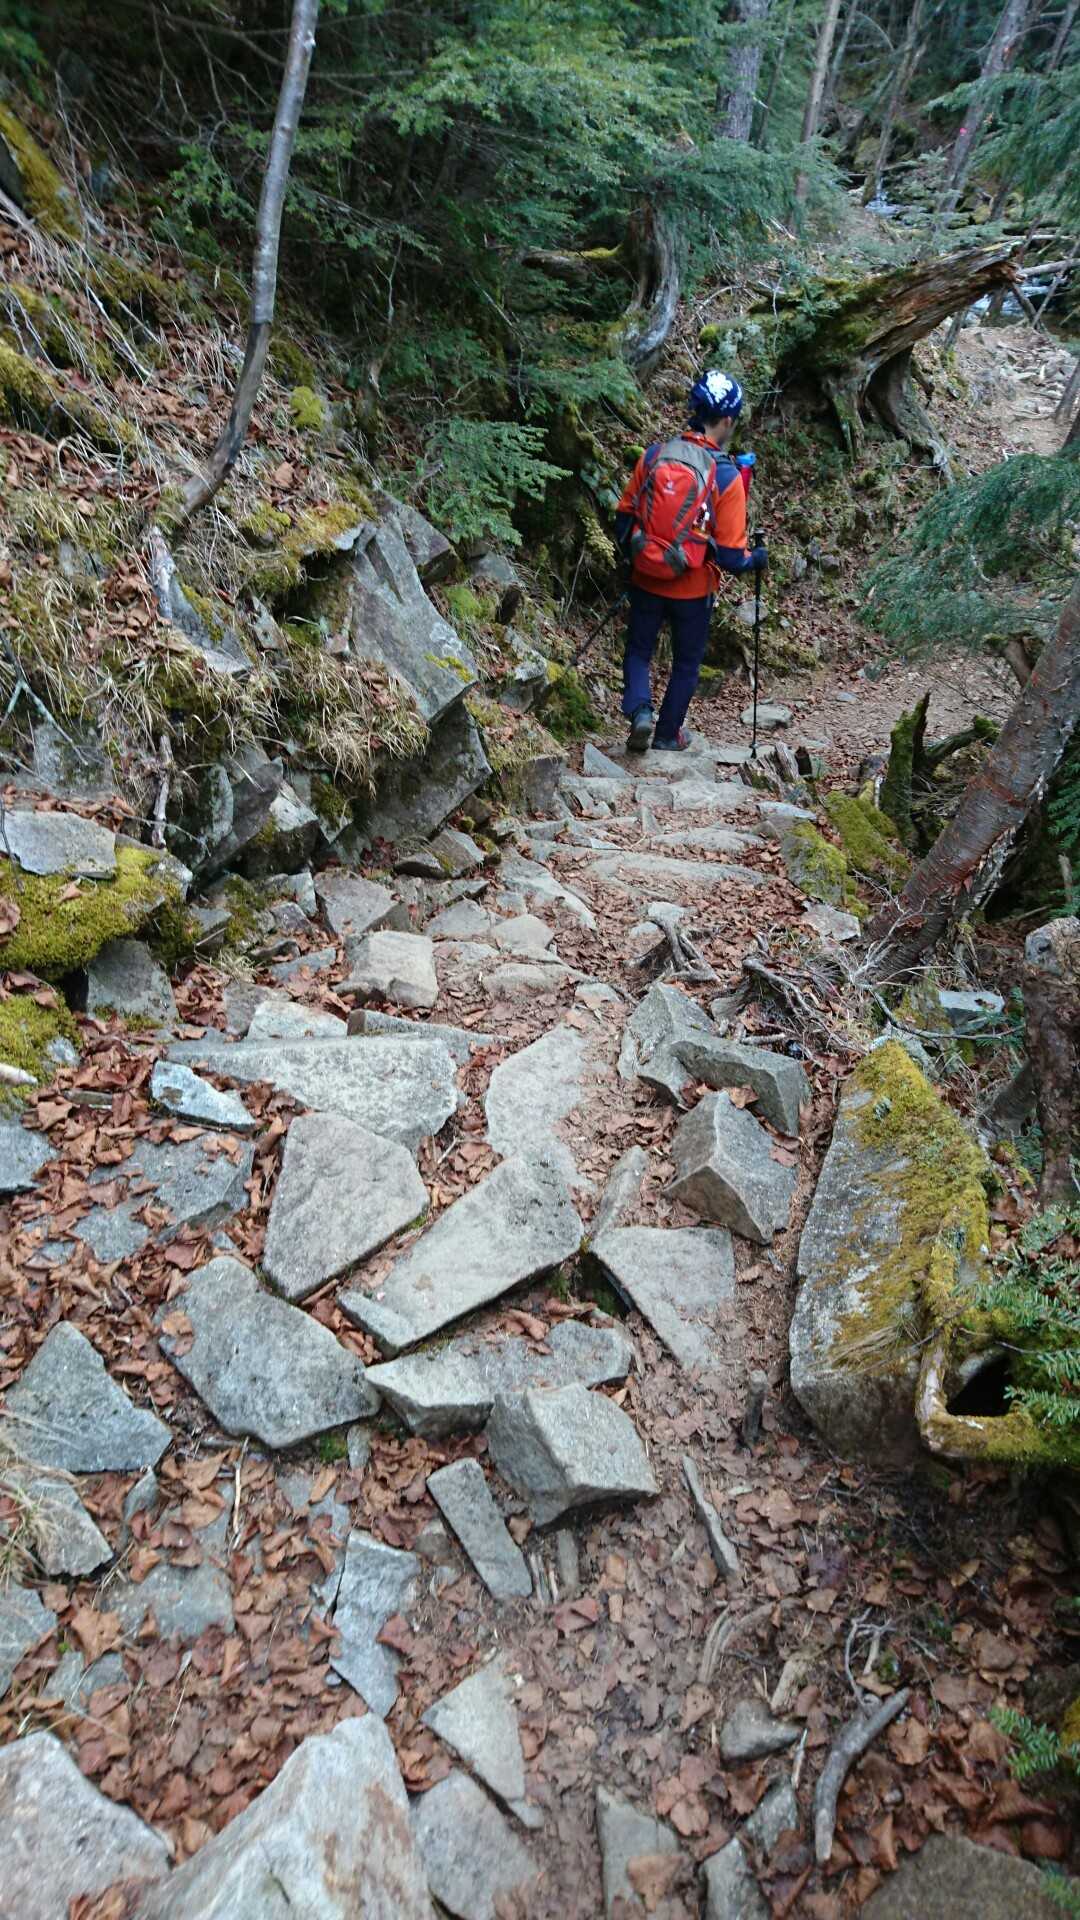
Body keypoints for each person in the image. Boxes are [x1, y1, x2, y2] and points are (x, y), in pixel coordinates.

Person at [615, 369, 768, 752]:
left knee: (638, 650)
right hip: (694, 589)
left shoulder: (655, 456)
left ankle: (640, 712)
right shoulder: (727, 477)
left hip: (647, 578)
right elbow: (731, 557)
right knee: (686, 663)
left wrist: (640, 554)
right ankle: (668, 735)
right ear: (727, 420)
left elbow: (624, 517)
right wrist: (757, 559)